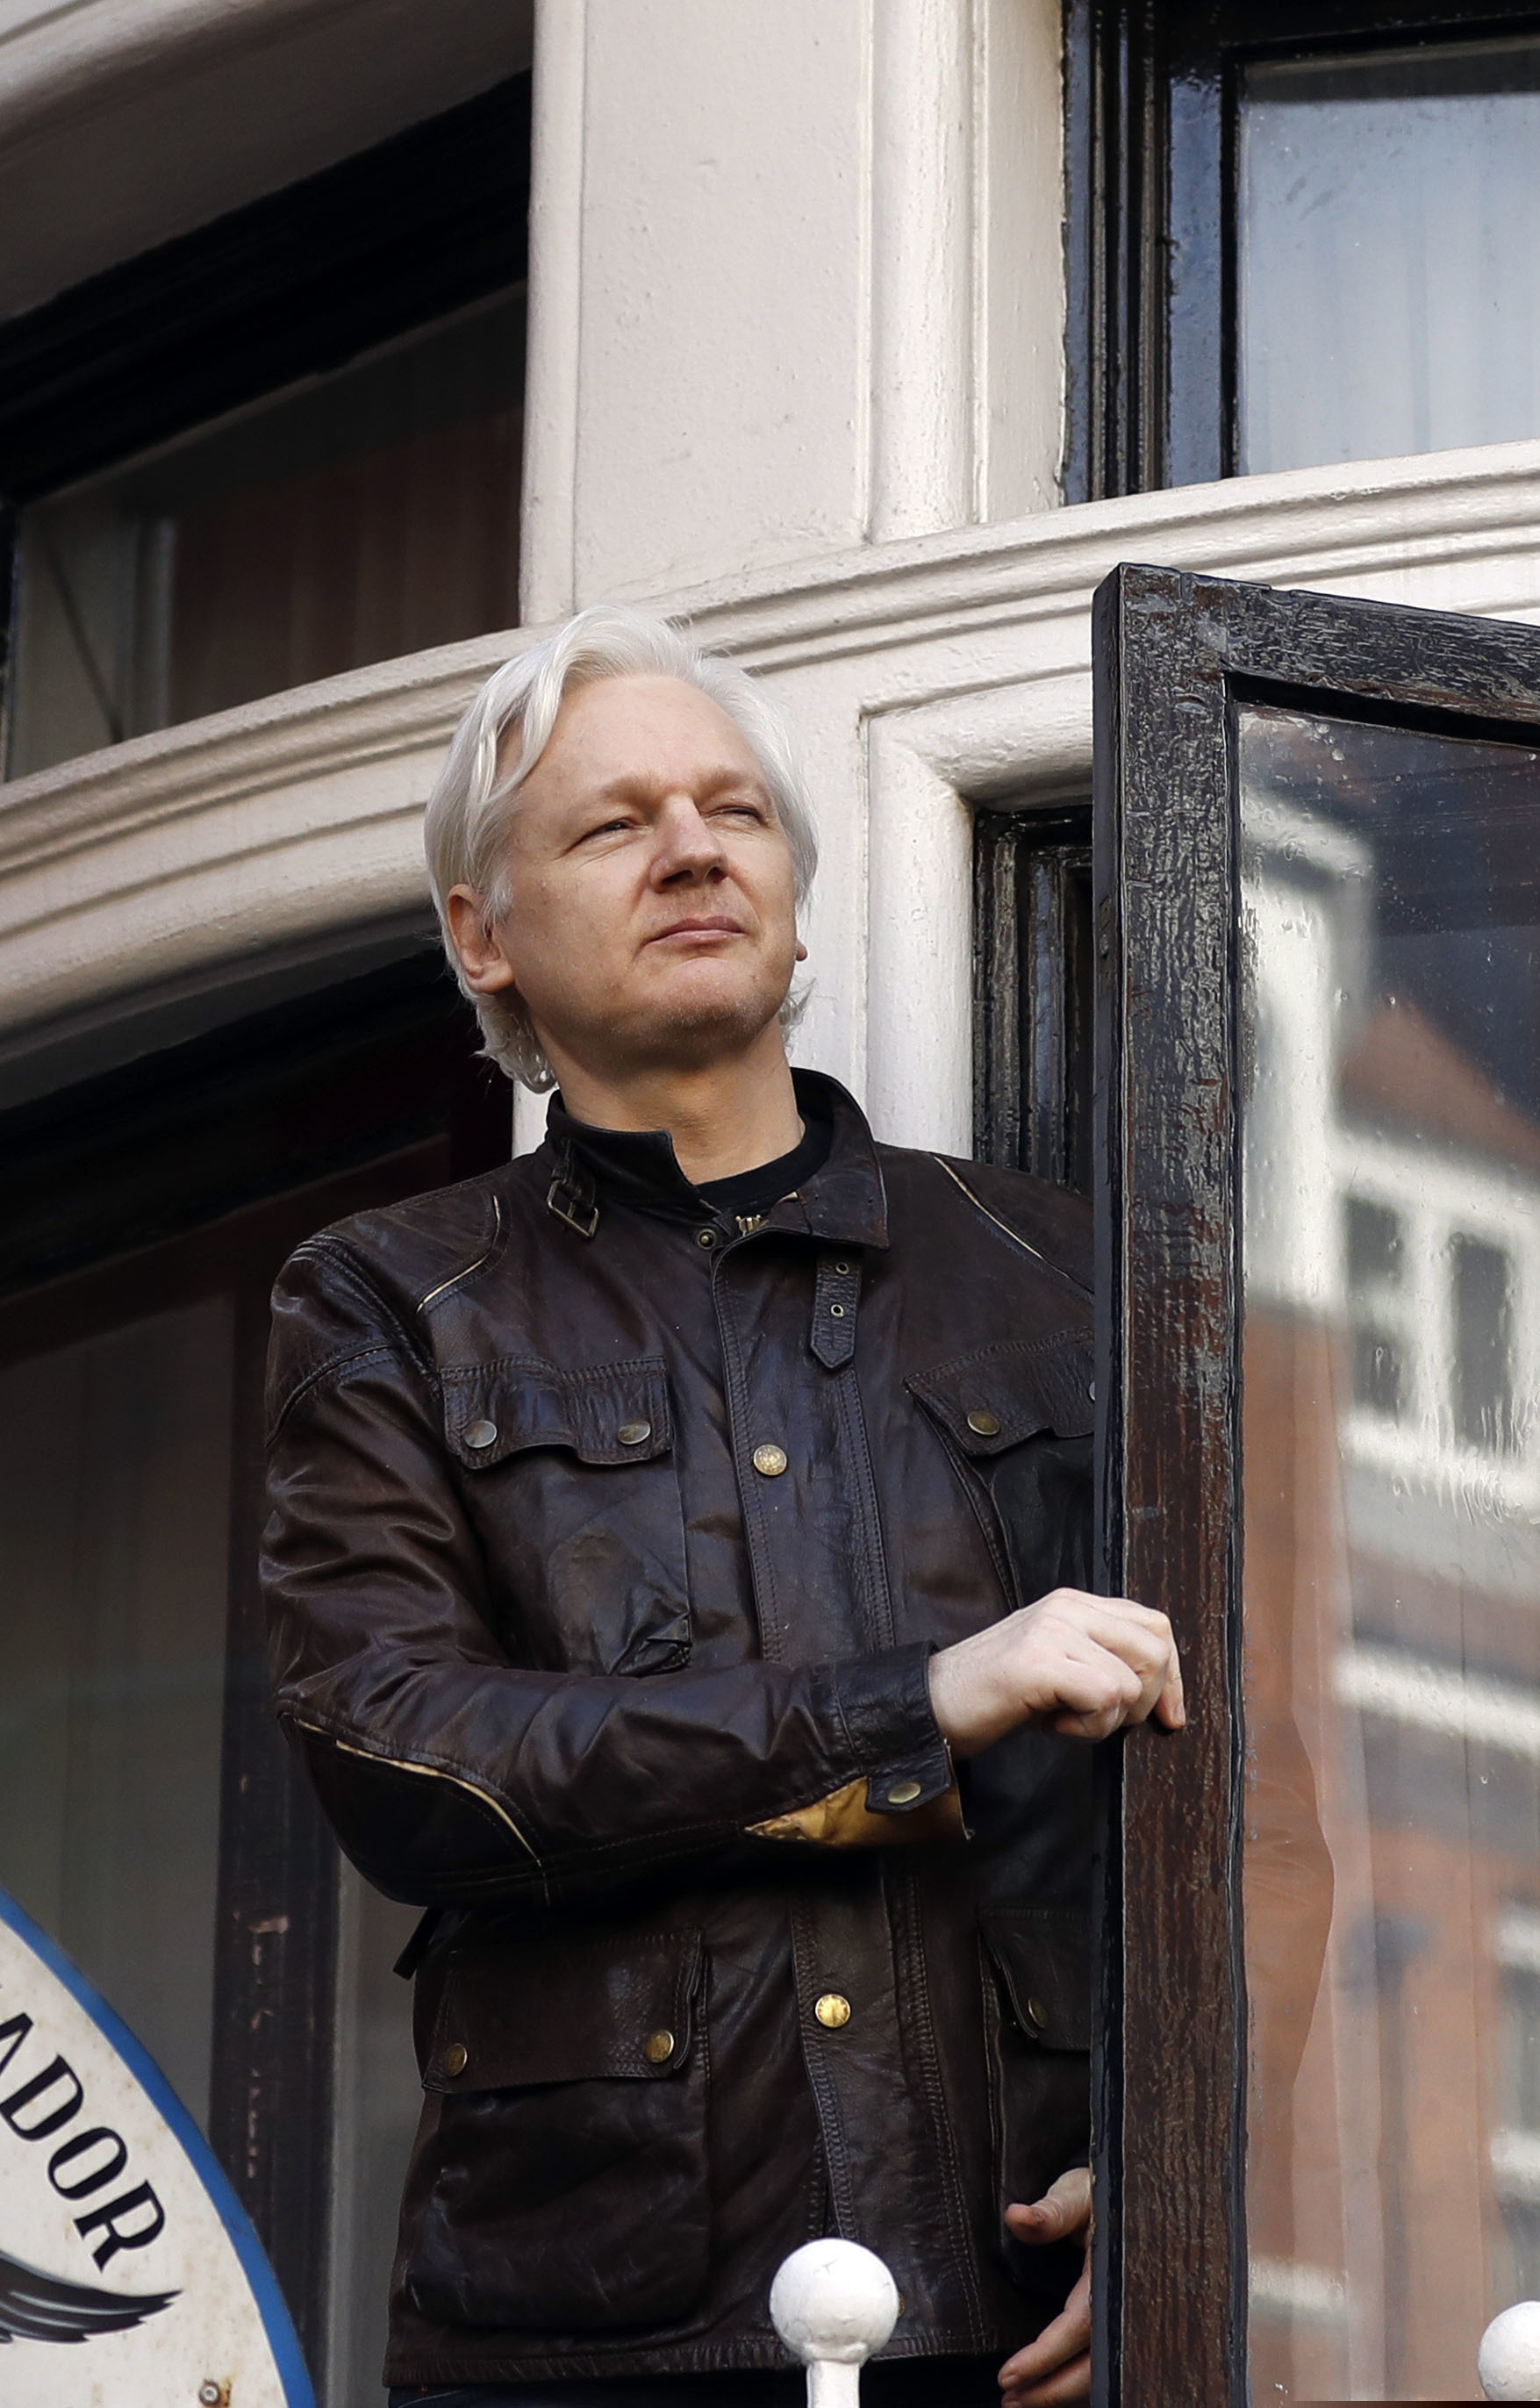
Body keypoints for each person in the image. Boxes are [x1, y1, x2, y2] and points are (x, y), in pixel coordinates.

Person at [262, 606, 1184, 2406]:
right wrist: (904, 1707)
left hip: (1039, 2303)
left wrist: (1187, 2164)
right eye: (611, 823)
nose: (690, 846)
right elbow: (399, 1751)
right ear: (484, 933)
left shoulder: (1059, 1272)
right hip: (604, 2327)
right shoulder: (386, 1294)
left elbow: (1249, 1776)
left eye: (734, 810)